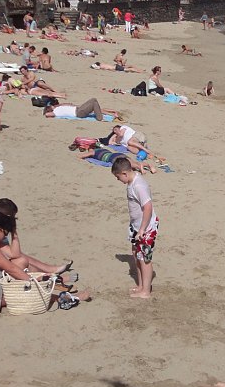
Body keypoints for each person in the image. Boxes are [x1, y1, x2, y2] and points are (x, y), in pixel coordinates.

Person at [0, 198, 73, 276]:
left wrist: (13, 230)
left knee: (20, 260)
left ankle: (49, 272)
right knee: (20, 263)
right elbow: (13, 256)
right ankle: (48, 275)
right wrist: (13, 230)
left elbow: (13, 253)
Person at [111, 156, 158, 299]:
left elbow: (148, 207)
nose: (118, 180)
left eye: (118, 177)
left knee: (144, 258)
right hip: (136, 226)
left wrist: (143, 229)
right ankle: (141, 285)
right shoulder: (131, 181)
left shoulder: (138, 186)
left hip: (146, 227)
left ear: (124, 173)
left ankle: (146, 291)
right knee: (136, 254)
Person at [78, 146, 155, 174]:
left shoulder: (93, 152)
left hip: (113, 158)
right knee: (133, 163)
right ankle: (148, 165)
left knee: (131, 164)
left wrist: (83, 156)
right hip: (116, 154)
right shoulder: (103, 149)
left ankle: (140, 168)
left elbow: (81, 156)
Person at [42, 98, 110, 122]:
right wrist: (48, 111)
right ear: (50, 108)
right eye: (51, 106)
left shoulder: (58, 108)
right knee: (94, 102)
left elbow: (69, 104)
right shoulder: (55, 112)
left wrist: (59, 105)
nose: (52, 105)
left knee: (93, 100)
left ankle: (99, 115)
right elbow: (47, 114)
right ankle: (100, 118)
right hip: (79, 113)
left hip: (78, 109)